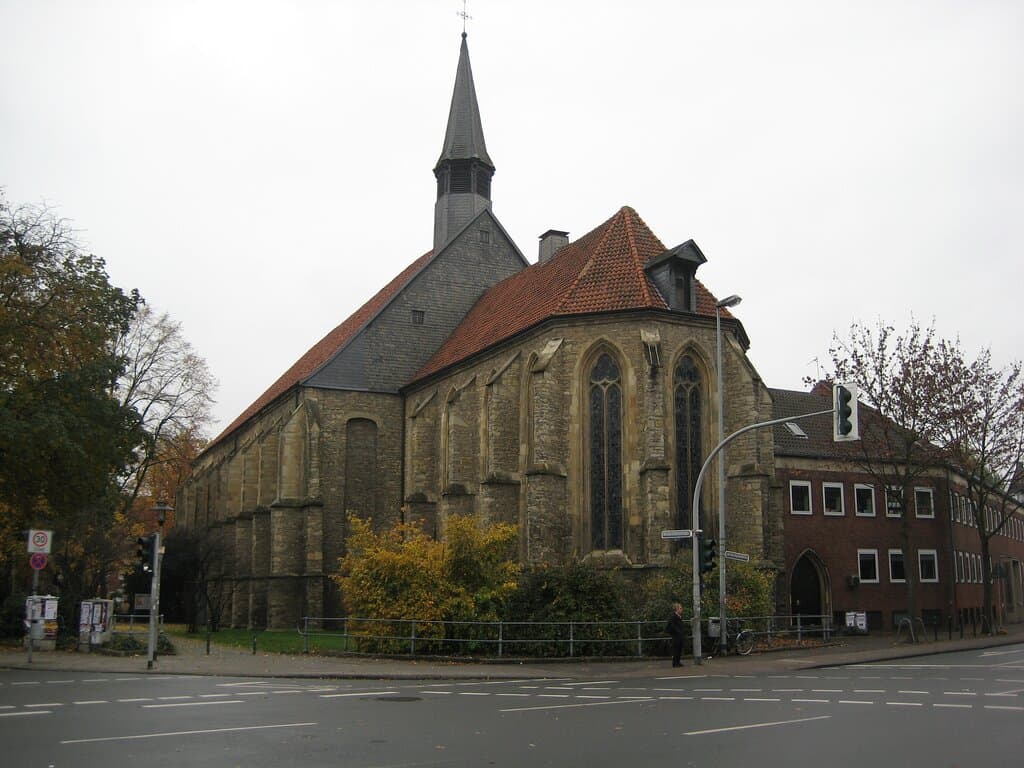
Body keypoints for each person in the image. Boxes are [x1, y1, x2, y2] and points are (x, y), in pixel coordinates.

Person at [666, 602, 686, 667]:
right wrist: (678, 631)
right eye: (680, 608)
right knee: (676, 650)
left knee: (679, 649)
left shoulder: (679, 616)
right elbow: (671, 626)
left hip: (679, 635)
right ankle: (675, 663)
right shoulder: (673, 617)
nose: (681, 609)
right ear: (677, 609)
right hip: (676, 636)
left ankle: (678, 662)